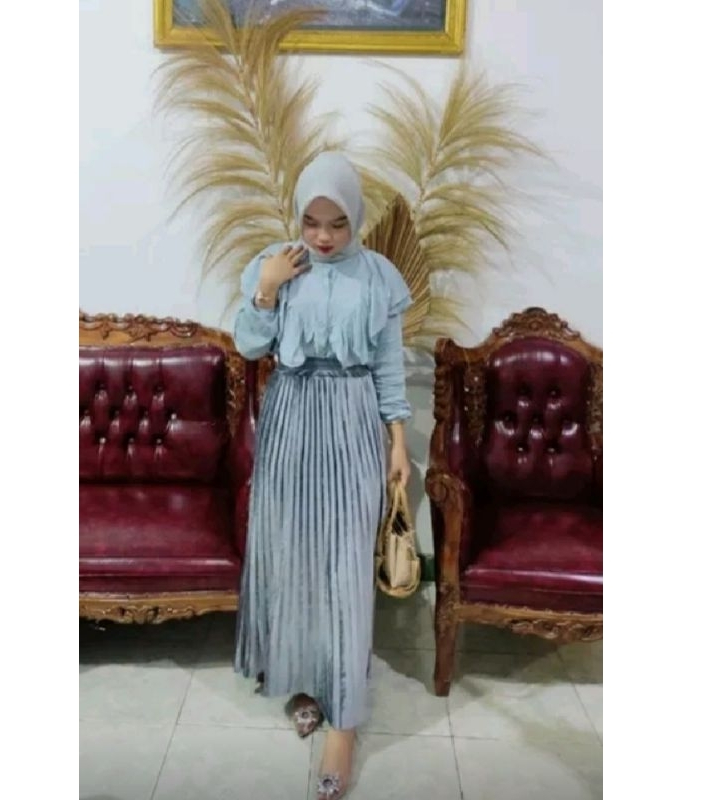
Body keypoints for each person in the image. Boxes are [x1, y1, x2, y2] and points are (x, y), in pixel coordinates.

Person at [232, 151, 412, 799]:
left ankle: (344, 723)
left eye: (337, 222)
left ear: (355, 218)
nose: (323, 236)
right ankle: (305, 682)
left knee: (344, 568)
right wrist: (267, 289)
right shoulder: (277, 263)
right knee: (295, 559)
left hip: (353, 418)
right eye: (311, 221)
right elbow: (250, 344)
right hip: (291, 418)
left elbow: (389, 364)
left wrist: (398, 440)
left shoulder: (379, 277)